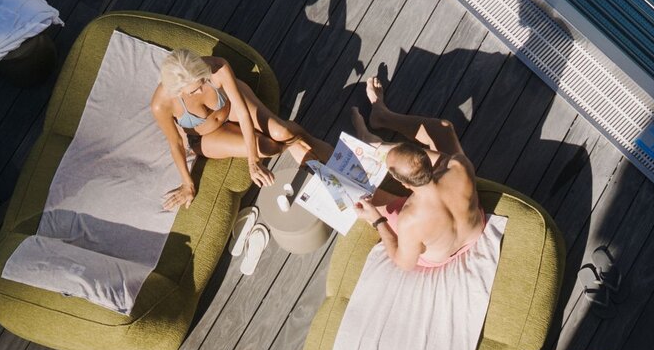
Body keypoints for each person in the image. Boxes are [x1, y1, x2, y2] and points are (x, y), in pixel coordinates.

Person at [150, 48, 319, 211]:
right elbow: (176, 144)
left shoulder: (216, 67)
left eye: (202, 80)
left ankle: (294, 138)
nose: (201, 89)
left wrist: (253, 162)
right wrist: (188, 184)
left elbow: (243, 113)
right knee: (269, 147)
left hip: (230, 106)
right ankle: (293, 141)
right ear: (177, 91)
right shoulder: (161, 104)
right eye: (194, 90)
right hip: (205, 137)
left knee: (281, 132)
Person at [349, 76, 486, 271]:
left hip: (440, 255)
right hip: (472, 230)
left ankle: (374, 143)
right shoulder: (460, 167)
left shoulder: (410, 218)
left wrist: (376, 219)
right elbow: (443, 158)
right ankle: (381, 118)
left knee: (362, 195)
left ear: (402, 183)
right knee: (444, 129)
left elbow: (403, 263)